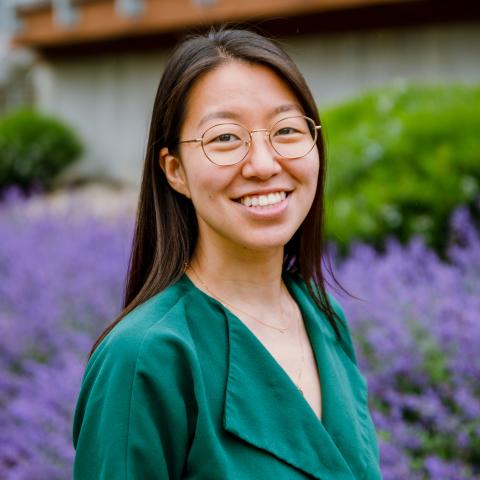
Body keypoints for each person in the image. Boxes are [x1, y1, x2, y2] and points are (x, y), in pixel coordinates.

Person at [72, 27, 382, 479]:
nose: (262, 164)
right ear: (174, 170)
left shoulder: (324, 319)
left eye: (287, 130)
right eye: (225, 138)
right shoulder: (144, 358)